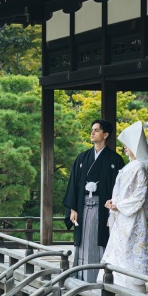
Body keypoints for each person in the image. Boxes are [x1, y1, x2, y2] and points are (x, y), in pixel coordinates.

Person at [98, 121, 148, 296]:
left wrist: (118, 204)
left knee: (130, 254)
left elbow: (139, 196)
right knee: (120, 253)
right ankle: (119, 291)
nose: (124, 148)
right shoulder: (133, 166)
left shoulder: (139, 168)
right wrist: (114, 203)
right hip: (123, 216)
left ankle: (131, 294)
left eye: (127, 145)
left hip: (132, 218)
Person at [63, 119, 125, 282]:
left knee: (100, 243)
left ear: (105, 135)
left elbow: (119, 189)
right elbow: (74, 184)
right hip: (82, 209)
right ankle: (80, 279)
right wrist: (73, 209)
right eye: (92, 129)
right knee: (82, 244)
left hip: (103, 211)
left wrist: (112, 211)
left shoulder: (115, 160)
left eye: (96, 130)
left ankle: (99, 280)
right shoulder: (82, 158)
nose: (92, 132)